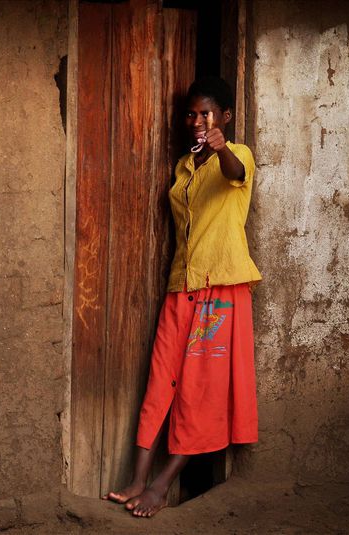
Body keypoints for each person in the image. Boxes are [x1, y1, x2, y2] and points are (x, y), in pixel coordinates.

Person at [103, 76, 261, 518]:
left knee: (200, 389)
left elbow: (236, 173)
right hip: (181, 287)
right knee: (160, 378)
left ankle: (160, 487)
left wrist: (222, 147)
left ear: (224, 117)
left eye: (206, 113)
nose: (196, 121)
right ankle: (136, 477)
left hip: (219, 289)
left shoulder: (238, 154)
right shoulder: (183, 167)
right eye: (191, 113)